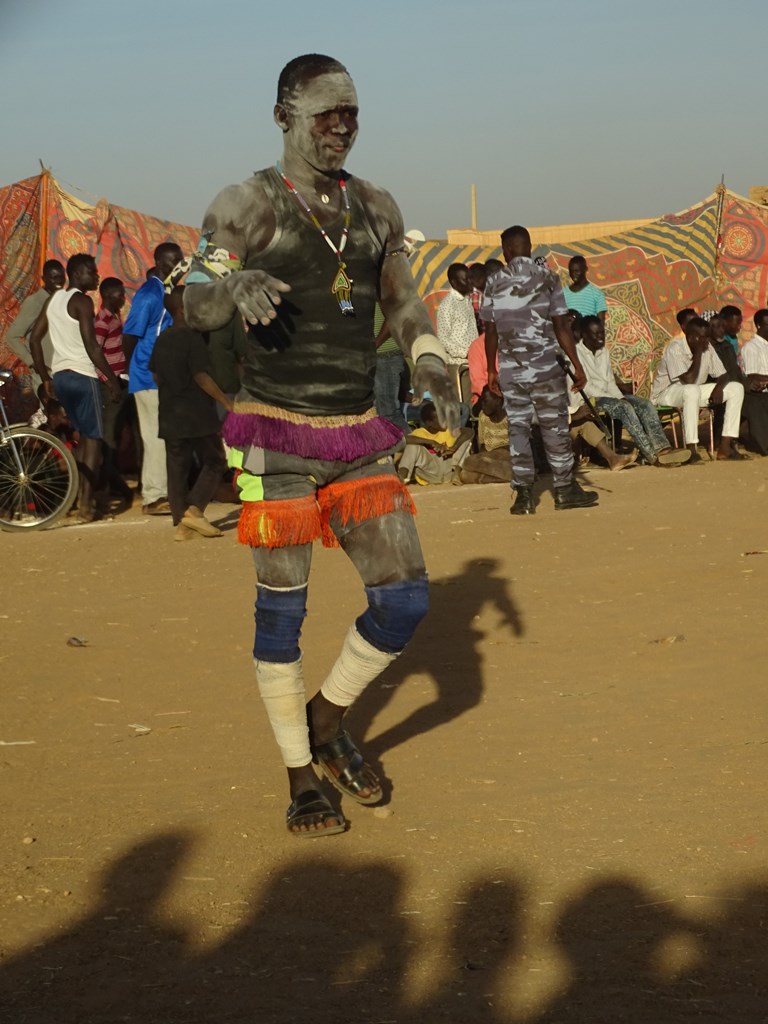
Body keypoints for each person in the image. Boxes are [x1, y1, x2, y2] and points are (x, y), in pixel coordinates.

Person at [182, 53, 458, 837]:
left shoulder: (374, 207)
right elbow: (195, 299)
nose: (341, 128)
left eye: (352, 116)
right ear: (283, 115)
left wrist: (432, 361)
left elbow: (403, 304)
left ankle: (326, 721)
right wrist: (229, 289)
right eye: (325, 115)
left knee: (404, 600)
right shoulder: (245, 205)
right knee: (283, 613)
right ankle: (301, 776)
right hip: (276, 435)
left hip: (356, 433)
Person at [482, 224, 598, 515]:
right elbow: (561, 325)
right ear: (529, 247)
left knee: (518, 429)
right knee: (554, 428)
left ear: (506, 250)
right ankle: (564, 489)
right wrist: (577, 364)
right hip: (546, 369)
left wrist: (491, 371)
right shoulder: (548, 278)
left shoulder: (494, 282)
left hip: (512, 372)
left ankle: (522, 496)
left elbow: (490, 330)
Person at [28, 253, 121, 521]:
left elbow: (35, 340)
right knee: (93, 442)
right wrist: (112, 381)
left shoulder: (54, 299)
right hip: (82, 376)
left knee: (81, 439)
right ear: (78, 273)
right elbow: (92, 346)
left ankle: (75, 498)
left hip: (61, 378)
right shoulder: (83, 301)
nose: (96, 276)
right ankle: (85, 506)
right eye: (92, 272)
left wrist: (46, 377)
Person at [149, 287, 231, 540]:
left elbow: (154, 373)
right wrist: (226, 402)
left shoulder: (163, 337)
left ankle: (183, 524)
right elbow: (201, 376)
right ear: (183, 309)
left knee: (177, 467)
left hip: (170, 411)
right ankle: (193, 511)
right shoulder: (193, 338)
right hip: (196, 413)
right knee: (216, 460)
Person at [577, 315, 691, 466]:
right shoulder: (576, 353)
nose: (600, 337)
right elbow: (586, 386)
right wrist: (616, 399)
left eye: (602, 333)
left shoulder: (603, 351)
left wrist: (619, 396)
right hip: (589, 399)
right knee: (624, 408)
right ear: (584, 335)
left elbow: (610, 381)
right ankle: (652, 457)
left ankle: (662, 449)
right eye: (596, 334)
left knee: (644, 405)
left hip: (610, 395)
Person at [123, 242, 184, 515]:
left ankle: (163, 491)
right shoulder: (149, 294)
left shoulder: (167, 292)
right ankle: (153, 496)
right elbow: (130, 335)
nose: (178, 266)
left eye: (180, 261)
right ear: (160, 263)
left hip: (162, 375)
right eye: (173, 261)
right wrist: (133, 367)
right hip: (148, 376)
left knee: (167, 435)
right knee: (155, 437)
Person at [651, 316, 745, 462]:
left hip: (693, 391)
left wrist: (719, 388)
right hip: (667, 393)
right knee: (691, 389)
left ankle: (725, 447)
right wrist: (699, 353)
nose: (707, 340)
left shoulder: (707, 346)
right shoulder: (675, 348)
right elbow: (688, 379)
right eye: (702, 338)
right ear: (692, 337)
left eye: (707, 337)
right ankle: (691, 449)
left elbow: (724, 374)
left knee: (736, 388)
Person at [94, 277, 133, 506]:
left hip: (120, 381)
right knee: (109, 438)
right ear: (108, 295)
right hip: (112, 385)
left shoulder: (115, 318)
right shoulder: (102, 321)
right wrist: (110, 383)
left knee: (117, 436)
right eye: (119, 294)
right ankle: (106, 489)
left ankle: (113, 485)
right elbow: (95, 354)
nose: (123, 298)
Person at [5, 260, 65, 393]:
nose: (59, 282)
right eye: (54, 278)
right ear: (44, 279)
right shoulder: (36, 301)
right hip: (45, 373)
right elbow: (12, 337)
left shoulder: (62, 299)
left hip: (61, 371)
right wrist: (33, 362)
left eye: (61, 277)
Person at [713, 309, 768, 455]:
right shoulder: (751, 347)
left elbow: (735, 372)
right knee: (756, 400)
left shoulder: (727, 346)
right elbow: (749, 375)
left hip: (739, 385)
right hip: (728, 387)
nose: (740, 326)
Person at [397, 401, 472, 484]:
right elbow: (402, 440)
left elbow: (469, 432)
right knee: (412, 446)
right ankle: (402, 478)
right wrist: (431, 442)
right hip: (430, 474)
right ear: (429, 423)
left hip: (450, 471)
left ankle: (457, 474)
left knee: (466, 442)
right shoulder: (420, 433)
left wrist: (454, 447)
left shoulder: (449, 430)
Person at [436, 262, 477, 401]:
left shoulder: (467, 300)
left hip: (474, 362)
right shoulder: (447, 305)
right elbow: (443, 338)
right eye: (465, 280)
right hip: (459, 366)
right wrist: (466, 353)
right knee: (463, 404)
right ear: (454, 282)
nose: (470, 282)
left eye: (470, 278)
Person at [456, 387, 512, 484]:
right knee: (465, 475)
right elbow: (482, 444)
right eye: (481, 402)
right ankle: (510, 475)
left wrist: (491, 455)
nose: (482, 405)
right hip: (490, 459)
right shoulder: (483, 416)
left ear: (498, 401)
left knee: (470, 461)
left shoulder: (510, 415)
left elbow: (518, 444)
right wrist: (483, 456)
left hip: (507, 454)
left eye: (485, 401)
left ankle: (513, 473)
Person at [372, 302, 407, 431]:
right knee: (378, 414)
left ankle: (417, 447)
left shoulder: (379, 288)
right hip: (378, 357)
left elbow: (392, 319)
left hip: (386, 356)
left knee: (388, 413)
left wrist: (374, 345)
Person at [563, 255, 607, 323]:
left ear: (585, 269)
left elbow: (600, 323)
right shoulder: (563, 293)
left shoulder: (597, 293)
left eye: (577, 271)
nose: (573, 274)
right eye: (571, 271)